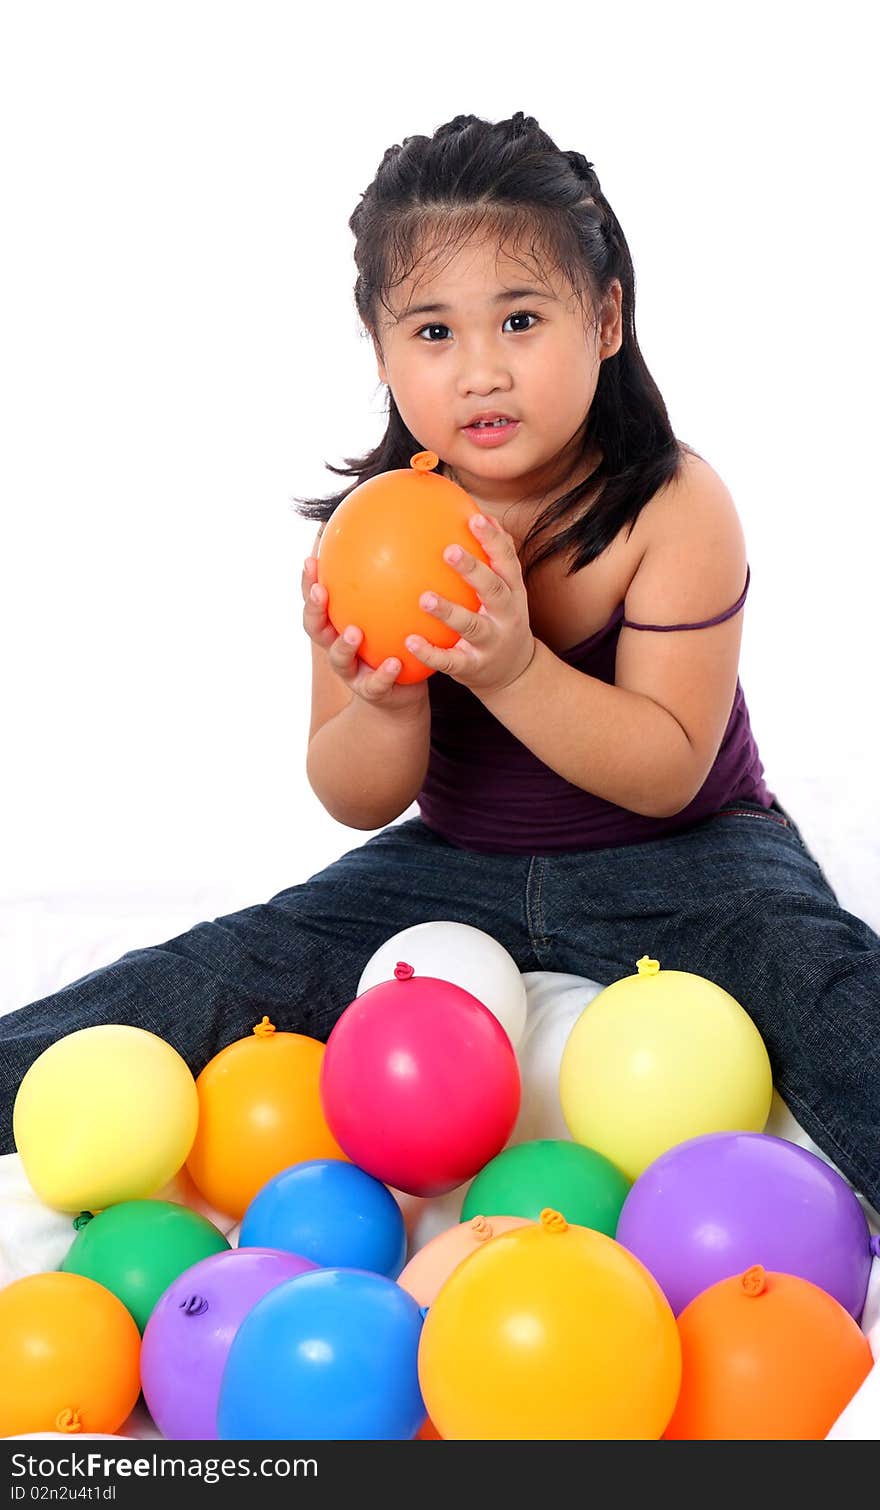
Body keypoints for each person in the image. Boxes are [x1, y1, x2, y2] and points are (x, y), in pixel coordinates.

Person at [1, 111, 878, 1213]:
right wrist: (380, 701)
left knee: (825, 982)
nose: (479, 372)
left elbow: (666, 765)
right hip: (455, 858)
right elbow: (354, 796)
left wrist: (514, 668)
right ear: (378, 346)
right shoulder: (377, 529)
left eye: (519, 320)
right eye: (431, 333)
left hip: (689, 857)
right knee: (227, 966)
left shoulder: (670, 506)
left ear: (604, 320)